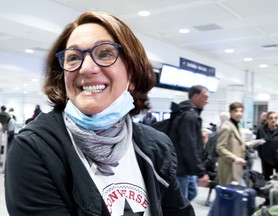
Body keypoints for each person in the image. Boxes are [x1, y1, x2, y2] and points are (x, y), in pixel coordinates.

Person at [5, 11, 195, 215]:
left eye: (105, 53)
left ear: (131, 76)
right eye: (73, 58)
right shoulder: (35, 148)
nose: (86, 68)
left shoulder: (156, 146)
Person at [169, 85, 210, 201]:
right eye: (205, 97)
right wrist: (201, 172)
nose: (207, 101)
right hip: (180, 167)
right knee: (180, 202)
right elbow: (189, 146)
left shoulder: (185, 113)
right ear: (195, 96)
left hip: (184, 167)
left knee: (191, 192)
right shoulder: (189, 115)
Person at [216, 102, 247, 186]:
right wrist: (234, 158)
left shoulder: (238, 126)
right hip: (228, 165)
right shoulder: (226, 127)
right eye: (236, 111)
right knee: (227, 193)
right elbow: (220, 148)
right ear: (231, 112)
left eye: (241, 111)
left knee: (234, 193)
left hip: (237, 165)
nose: (239, 113)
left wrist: (247, 144)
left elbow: (237, 142)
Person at [256, 111, 278, 181]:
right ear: (267, 119)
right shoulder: (261, 130)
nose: (273, 120)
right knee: (267, 181)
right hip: (266, 161)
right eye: (271, 118)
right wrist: (262, 156)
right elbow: (257, 144)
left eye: (275, 118)